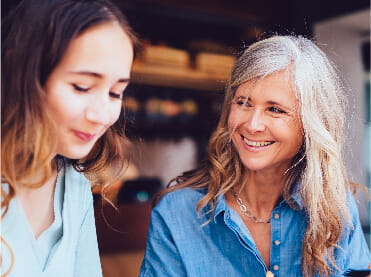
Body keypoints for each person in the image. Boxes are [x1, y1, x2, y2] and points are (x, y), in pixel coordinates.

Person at [139, 35, 371, 277]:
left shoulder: (336, 209)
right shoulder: (177, 213)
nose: (252, 124)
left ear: (311, 124)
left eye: (274, 109)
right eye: (243, 103)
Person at [1, 0, 137, 276]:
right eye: (82, 87)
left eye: (115, 93)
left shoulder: (73, 186)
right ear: (23, 73)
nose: (101, 115)